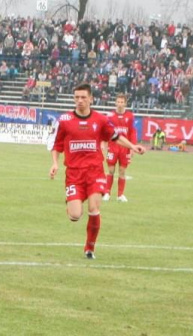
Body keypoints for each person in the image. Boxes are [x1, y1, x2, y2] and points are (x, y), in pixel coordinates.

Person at [48, 83, 145, 259]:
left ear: (91, 99)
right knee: (75, 215)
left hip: (94, 172)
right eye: (76, 97)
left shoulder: (100, 120)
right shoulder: (65, 120)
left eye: (83, 97)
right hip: (74, 174)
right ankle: (72, 205)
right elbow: (56, 145)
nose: (80, 101)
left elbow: (115, 137)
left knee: (94, 208)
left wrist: (133, 146)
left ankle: (89, 247)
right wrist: (55, 163)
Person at [103, 94, 138, 202]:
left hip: (125, 148)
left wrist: (132, 147)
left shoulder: (130, 116)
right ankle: (107, 193)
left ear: (125, 103)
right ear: (115, 103)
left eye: (122, 102)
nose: (120, 104)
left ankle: (120, 195)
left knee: (122, 171)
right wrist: (104, 144)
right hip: (113, 146)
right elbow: (106, 131)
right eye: (118, 102)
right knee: (111, 170)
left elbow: (132, 132)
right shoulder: (110, 116)